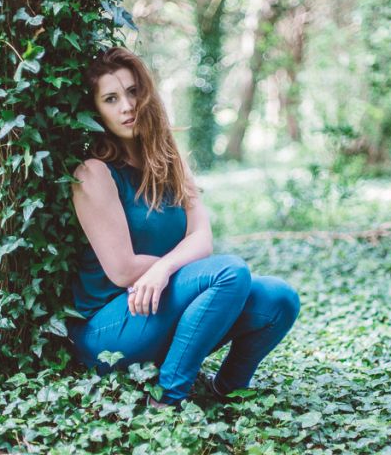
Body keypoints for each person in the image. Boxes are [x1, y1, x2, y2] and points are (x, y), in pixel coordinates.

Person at [65, 47, 300, 408]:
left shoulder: (170, 161)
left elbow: (202, 238)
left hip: (161, 304)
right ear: (96, 111)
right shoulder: (93, 173)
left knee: (279, 299)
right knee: (230, 272)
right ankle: (169, 396)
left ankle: (228, 387)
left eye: (132, 92)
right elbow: (122, 269)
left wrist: (164, 269)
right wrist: (177, 269)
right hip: (109, 328)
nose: (126, 106)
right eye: (111, 99)